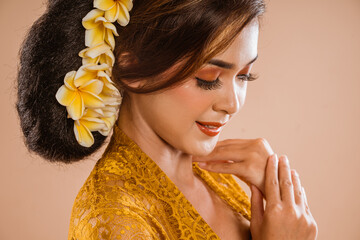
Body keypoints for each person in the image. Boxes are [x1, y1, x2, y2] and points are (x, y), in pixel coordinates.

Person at [16, 0, 318, 239]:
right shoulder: (111, 220)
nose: (233, 104)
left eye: (243, 76)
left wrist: (276, 192)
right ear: (132, 70)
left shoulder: (220, 177)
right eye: (208, 78)